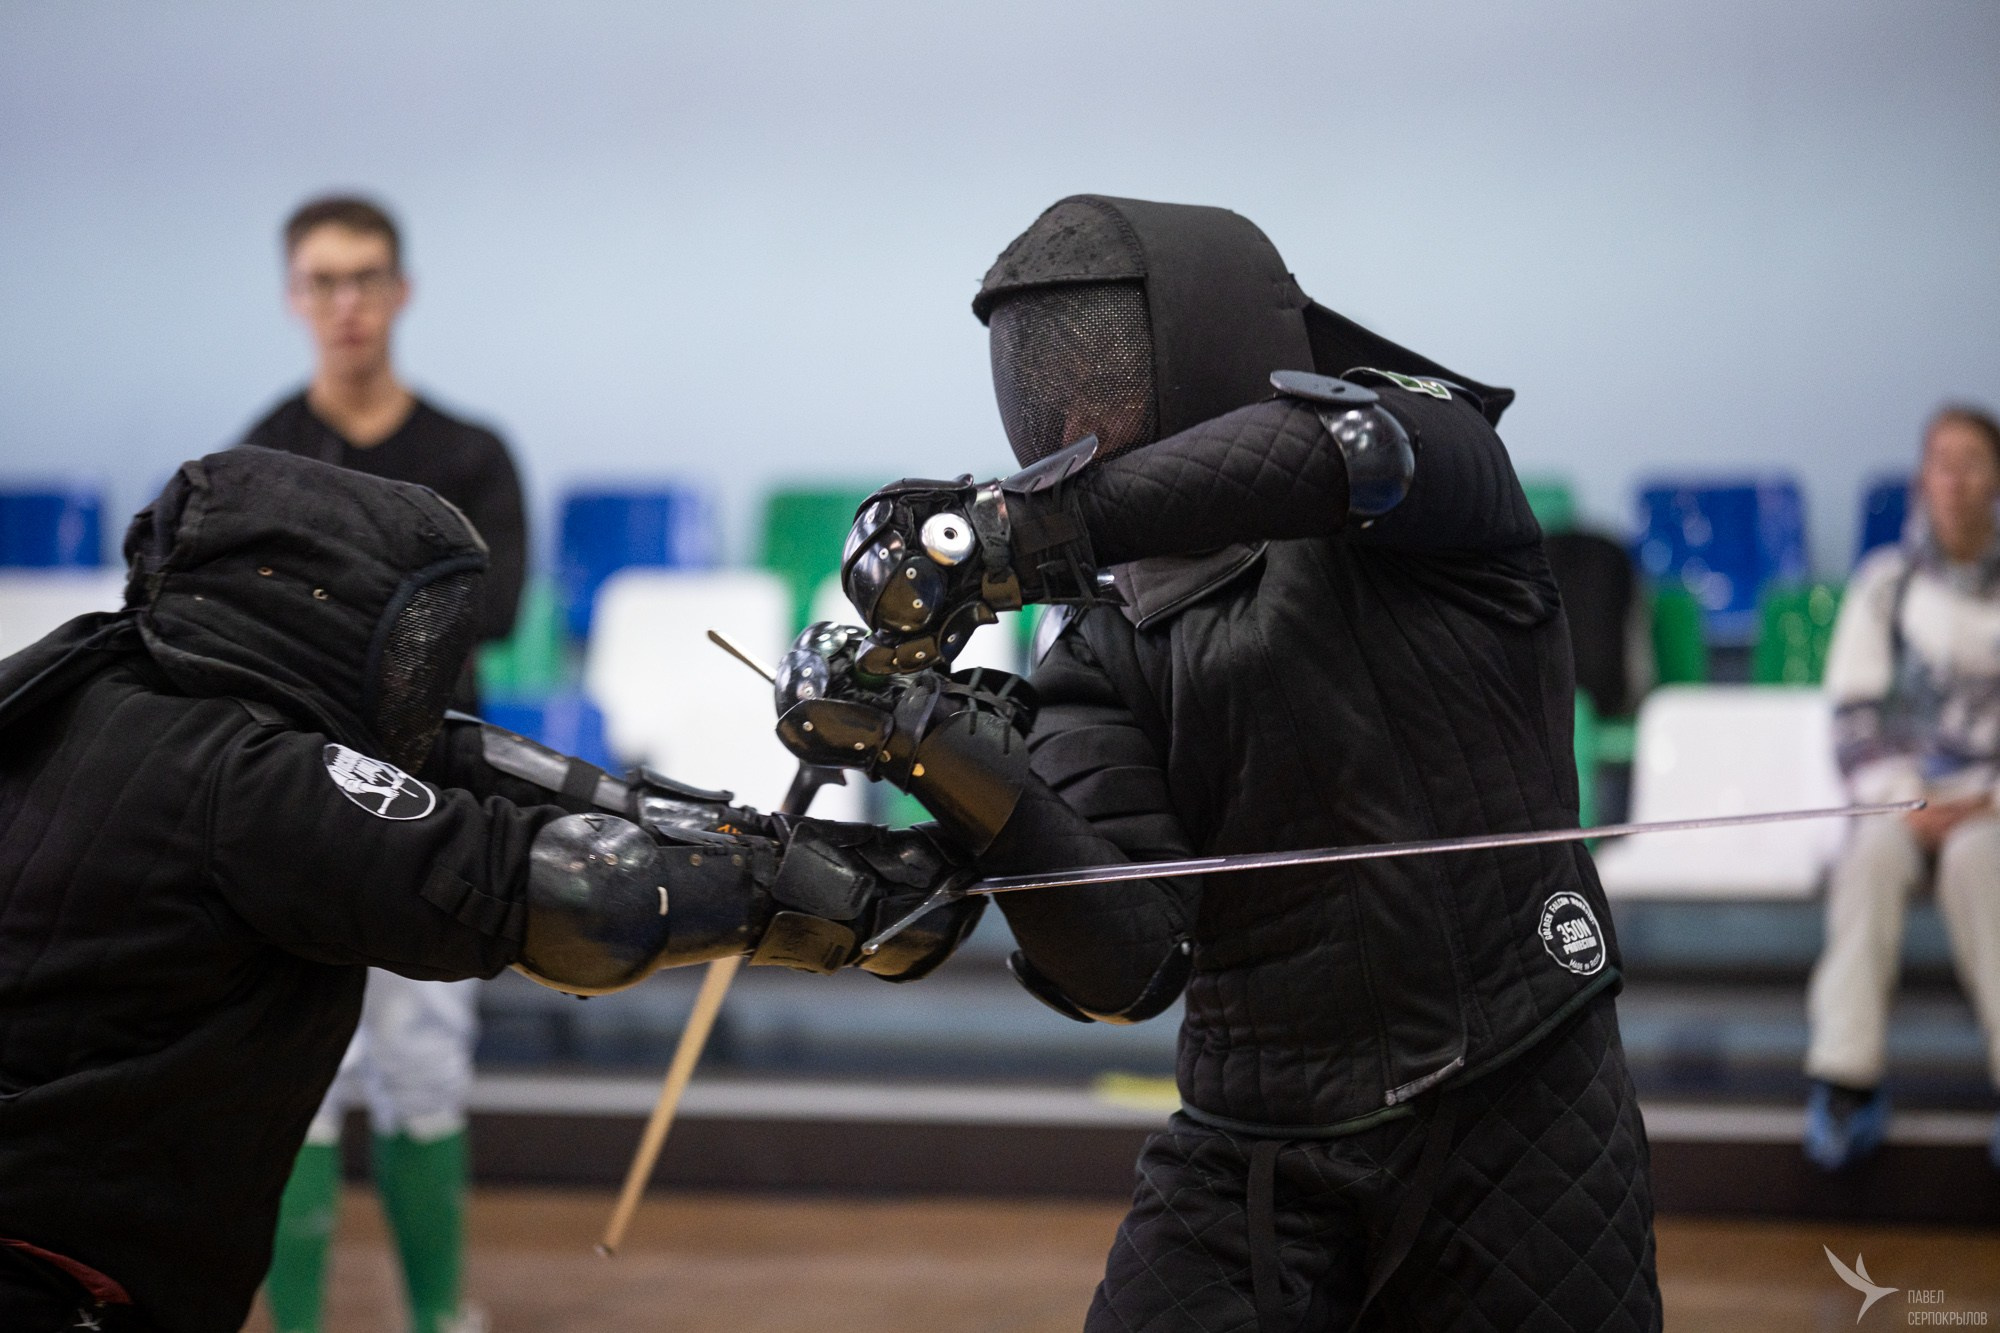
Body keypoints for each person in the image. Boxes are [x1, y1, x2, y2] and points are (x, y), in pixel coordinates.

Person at [791, 196, 1660, 1329]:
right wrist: (930, 746)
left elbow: (1343, 454)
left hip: (1521, 1107)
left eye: (1105, 370)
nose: (1078, 412)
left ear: (1208, 333)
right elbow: (1131, 959)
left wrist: (1007, 534)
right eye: (1050, 382)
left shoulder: (1426, 456)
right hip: (1257, 1146)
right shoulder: (1102, 648)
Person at [0, 448, 982, 1332]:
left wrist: (744, 831)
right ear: (319, 607)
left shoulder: (86, 682)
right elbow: (575, 890)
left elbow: (463, 763)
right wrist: (846, 902)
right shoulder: (237, 778)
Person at [239, 194, 529, 1333]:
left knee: (424, 1059)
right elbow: (234, 625)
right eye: (323, 280)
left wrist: (325, 607)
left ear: (400, 292)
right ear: (293, 297)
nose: (346, 302)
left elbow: (489, 611)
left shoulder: (472, 456)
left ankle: (436, 1313)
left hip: (437, 806)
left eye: (365, 278)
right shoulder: (256, 454)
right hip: (291, 805)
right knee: (291, 1076)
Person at [1807, 404, 2000, 1172]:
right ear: (1924, 478)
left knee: (1979, 864)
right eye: (1940, 462)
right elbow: (1853, 720)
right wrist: (1905, 797)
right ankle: (1845, 1077)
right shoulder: (1883, 587)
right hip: (1904, 799)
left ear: (1995, 480)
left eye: (1972, 462)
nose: (1954, 480)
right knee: (1870, 858)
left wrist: (1981, 803)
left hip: (1991, 808)